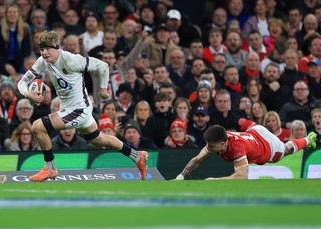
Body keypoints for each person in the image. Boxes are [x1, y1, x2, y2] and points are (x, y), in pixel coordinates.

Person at [17, 30, 149, 182]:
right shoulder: (42, 61)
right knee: (100, 139)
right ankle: (137, 155)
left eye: (48, 49)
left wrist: (102, 90)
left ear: (57, 47)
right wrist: (28, 94)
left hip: (79, 109)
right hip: (70, 108)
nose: (45, 53)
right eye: (42, 49)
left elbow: (103, 66)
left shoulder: (71, 60)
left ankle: (50, 168)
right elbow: (22, 82)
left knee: (37, 127)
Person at [174, 122, 318, 180]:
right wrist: (180, 177)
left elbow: (242, 176)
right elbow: (197, 160)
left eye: (211, 146)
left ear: (223, 143)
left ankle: (308, 139)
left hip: (266, 144)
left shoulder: (236, 148)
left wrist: (214, 180)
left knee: (285, 150)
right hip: (253, 132)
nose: (209, 148)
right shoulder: (217, 142)